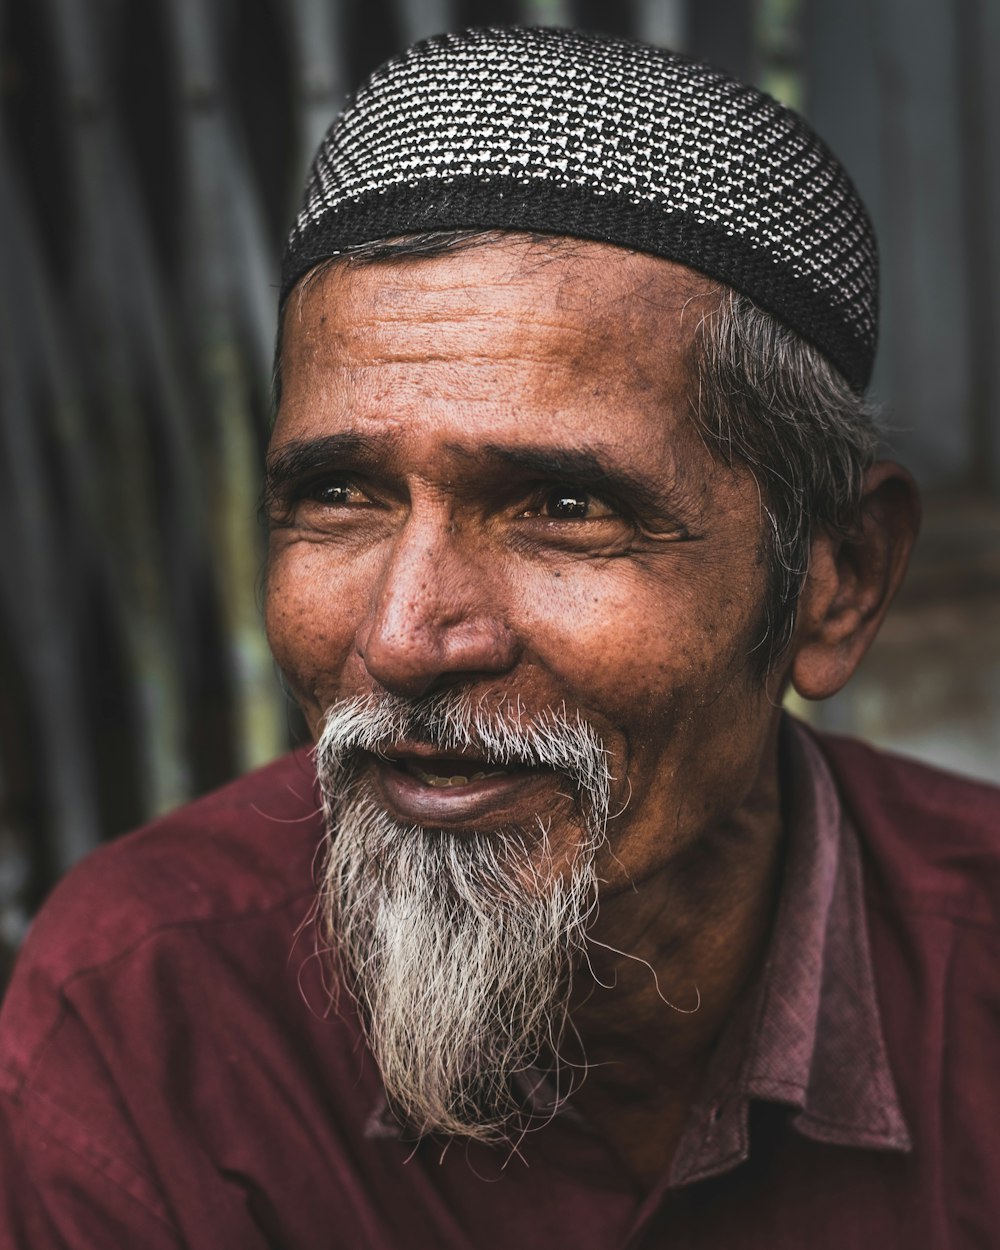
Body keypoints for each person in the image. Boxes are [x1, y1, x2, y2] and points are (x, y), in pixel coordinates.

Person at [1, 25, 997, 1249]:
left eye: (565, 508)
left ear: (836, 579)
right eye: (340, 496)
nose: (406, 635)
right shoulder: (146, 1018)